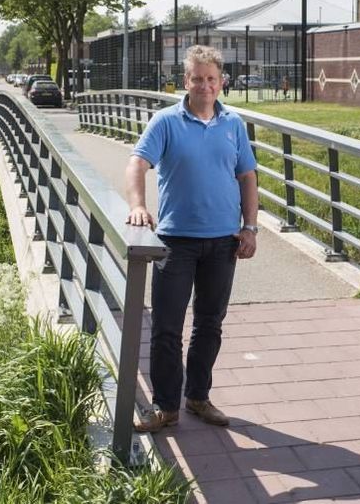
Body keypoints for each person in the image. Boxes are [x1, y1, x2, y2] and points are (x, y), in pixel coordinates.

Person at [126, 44, 259, 433]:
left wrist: (250, 227)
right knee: (167, 327)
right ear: (185, 81)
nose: (204, 85)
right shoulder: (166, 121)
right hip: (175, 241)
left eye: (211, 79)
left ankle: (198, 397)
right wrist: (138, 205)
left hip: (223, 243)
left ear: (221, 83)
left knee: (209, 324)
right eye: (197, 78)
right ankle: (166, 406)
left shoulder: (233, 124)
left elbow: (247, 176)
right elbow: (137, 163)